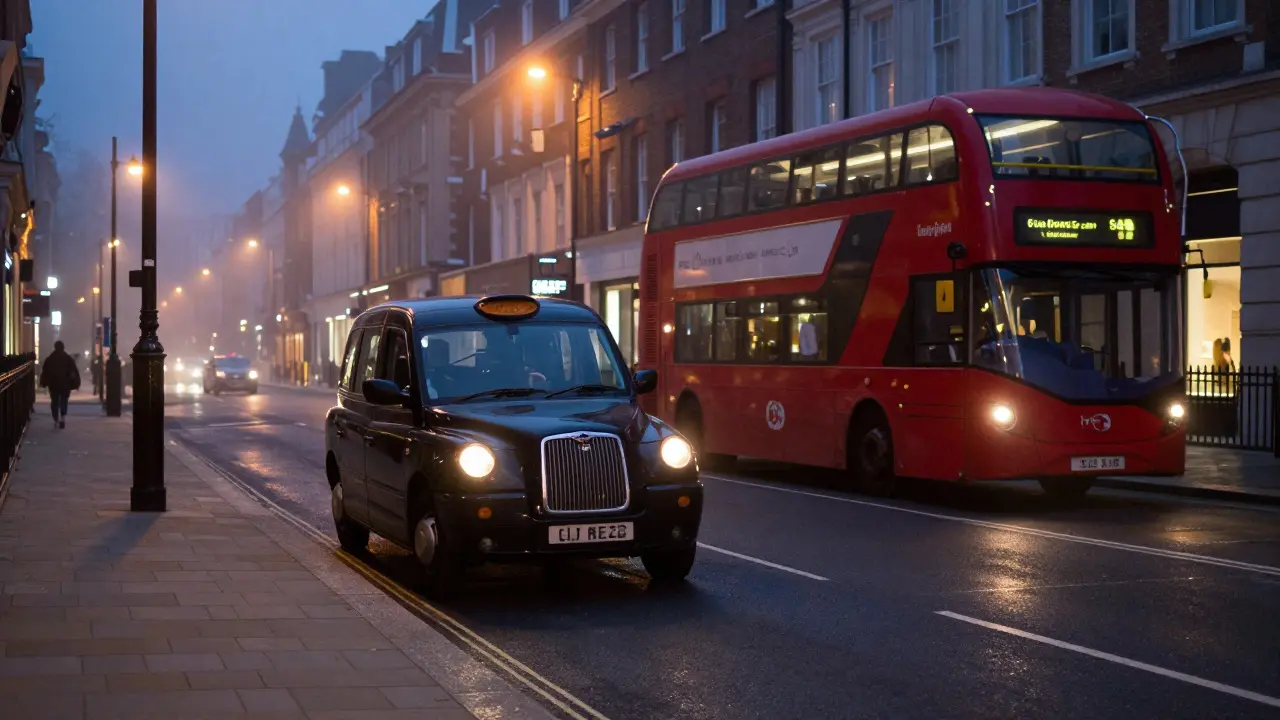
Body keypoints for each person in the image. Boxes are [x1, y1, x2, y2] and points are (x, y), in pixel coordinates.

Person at [40, 340, 81, 429]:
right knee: (64, 401)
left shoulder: (50, 359)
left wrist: (44, 382)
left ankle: (56, 418)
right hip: (65, 384)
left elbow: (45, 372)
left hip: (54, 384)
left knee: (54, 401)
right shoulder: (68, 358)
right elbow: (74, 371)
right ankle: (62, 417)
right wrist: (76, 383)